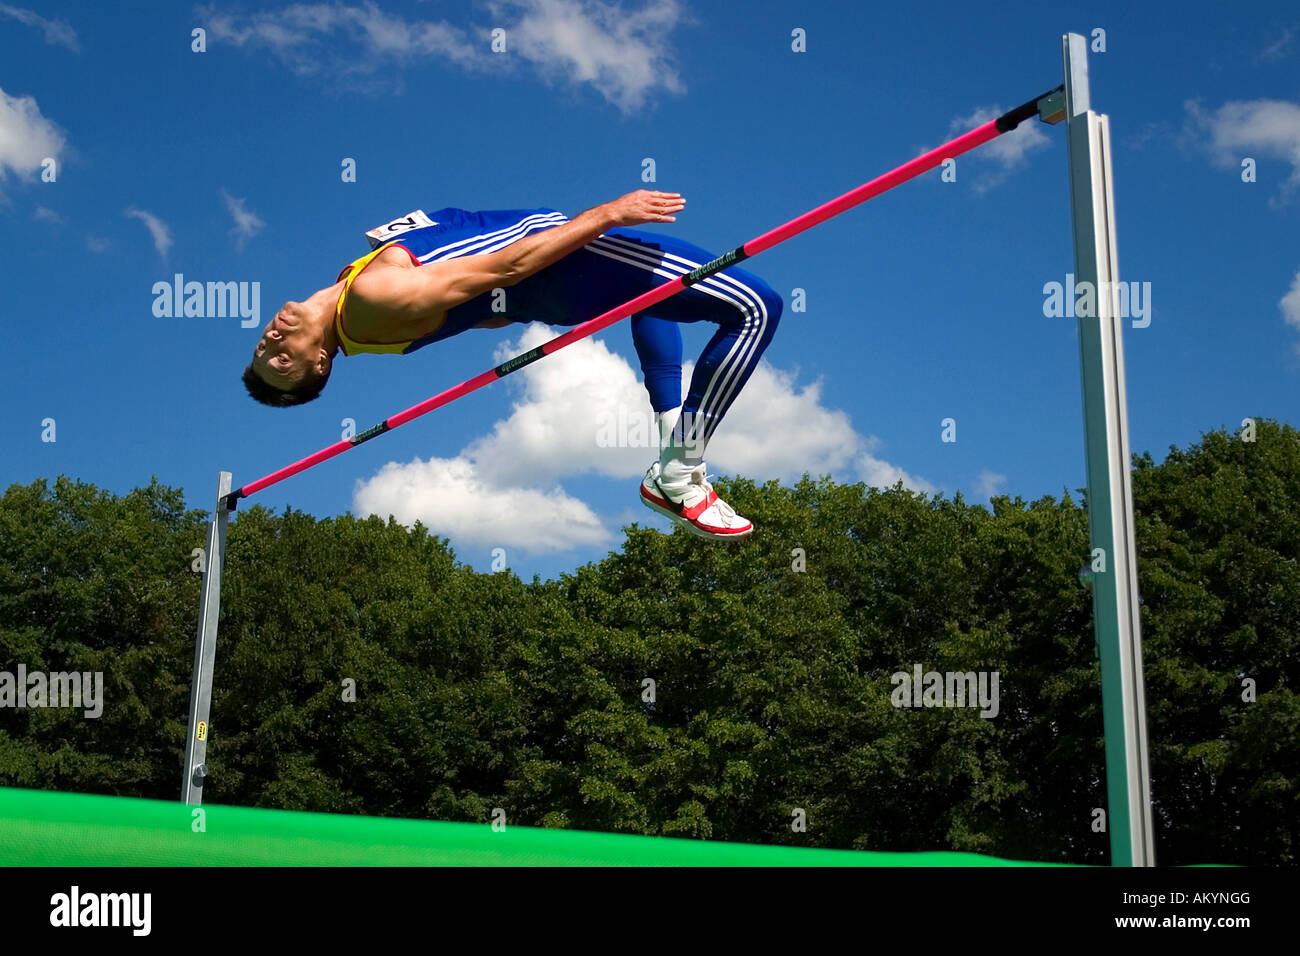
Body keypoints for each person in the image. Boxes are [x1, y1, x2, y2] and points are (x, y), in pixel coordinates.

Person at [243, 190, 782, 539]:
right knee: (757, 308)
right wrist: (606, 215)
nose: (271, 343)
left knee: (656, 299)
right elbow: (508, 264)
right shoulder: (369, 302)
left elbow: (476, 308)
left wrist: (521, 306)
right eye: (282, 361)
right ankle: (680, 471)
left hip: (557, 280)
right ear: (319, 362)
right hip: (565, 265)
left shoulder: (352, 289)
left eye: (263, 351)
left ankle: (673, 457)